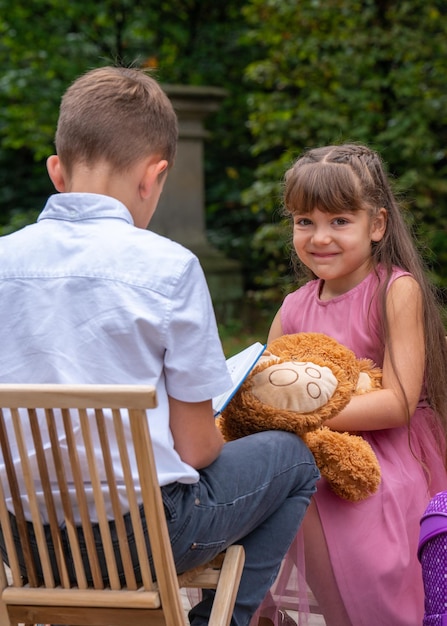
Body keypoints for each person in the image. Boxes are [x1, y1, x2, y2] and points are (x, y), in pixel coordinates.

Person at [0, 66, 319, 626]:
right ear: (154, 177)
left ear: (57, 171)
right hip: (141, 543)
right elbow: (196, 451)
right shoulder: (169, 269)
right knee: (294, 458)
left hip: (24, 545)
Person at [257, 143, 447, 626]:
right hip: (316, 450)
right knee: (288, 486)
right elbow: (261, 386)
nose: (320, 237)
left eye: (339, 221)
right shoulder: (294, 306)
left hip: (392, 451)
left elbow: (400, 401)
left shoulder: (393, 289)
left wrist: (304, 418)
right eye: (304, 222)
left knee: (367, 548)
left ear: (377, 225)